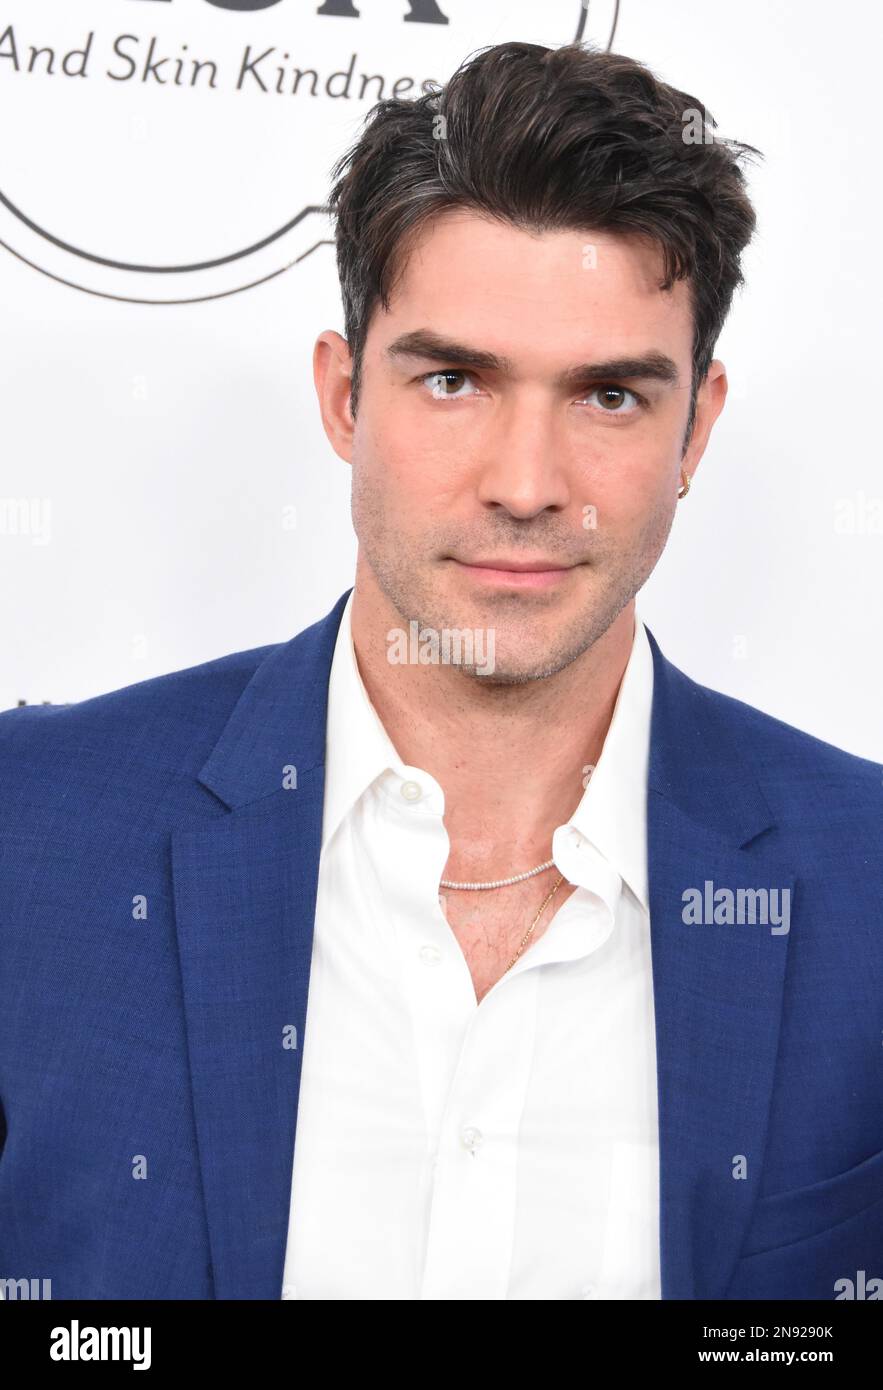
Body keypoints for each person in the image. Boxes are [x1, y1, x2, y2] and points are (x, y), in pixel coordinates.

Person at [1, 41, 880, 1303]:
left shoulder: (867, 882)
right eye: (454, 380)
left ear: (698, 427)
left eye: (610, 397)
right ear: (345, 396)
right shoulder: (33, 830)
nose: (525, 484)